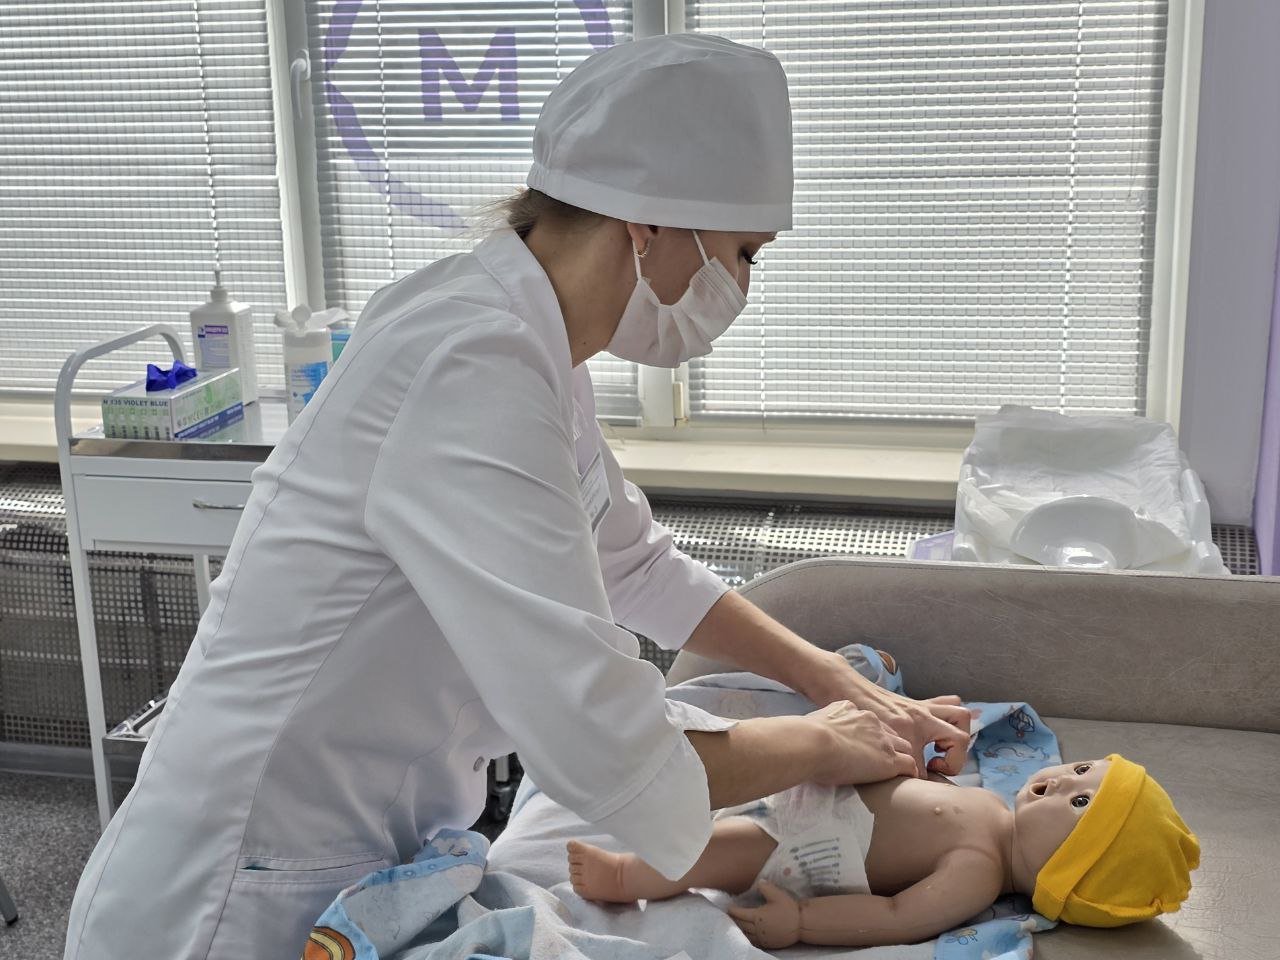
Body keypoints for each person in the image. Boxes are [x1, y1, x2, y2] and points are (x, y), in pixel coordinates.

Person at [65, 34, 969, 959]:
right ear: (648, 225)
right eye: (742, 254)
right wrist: (823, 744)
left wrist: (832, 680)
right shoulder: (471, 362)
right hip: (240, 888)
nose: (738, 286)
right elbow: (611, 750)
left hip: (360, 847)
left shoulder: (528, 342)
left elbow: (633, 564)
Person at [568, 755, 1200, 949]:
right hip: (816, 794)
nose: (1063, 780)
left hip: (806, 847)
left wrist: (801, 923)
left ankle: (625, 877)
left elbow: (895, 918)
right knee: (719, 783)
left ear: (1064, 869)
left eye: (1081, 802)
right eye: (1083, 770)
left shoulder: (978, 873)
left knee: (717, 852)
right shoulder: (992, 807)